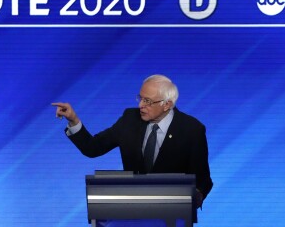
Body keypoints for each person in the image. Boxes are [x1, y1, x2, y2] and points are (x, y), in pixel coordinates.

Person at [52, 74, 213, 213]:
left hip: (175, 217)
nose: (141, 105)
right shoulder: (129, 119)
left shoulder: (192, 129)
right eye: (140, 98)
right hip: (133, 212)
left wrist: (195, 196)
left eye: (148, 101)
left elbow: (203, 179)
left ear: (167, 104)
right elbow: (92, 148)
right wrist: (73, 120)